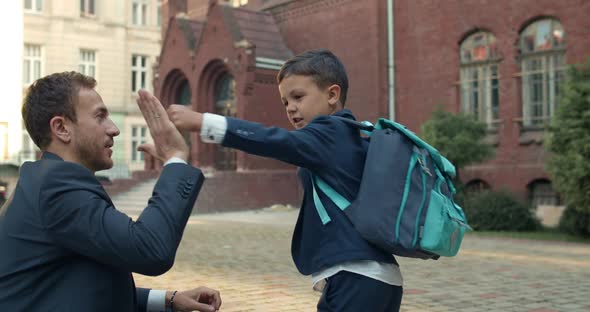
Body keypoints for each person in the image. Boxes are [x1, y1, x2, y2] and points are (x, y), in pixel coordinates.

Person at [158, 49, 404, 311]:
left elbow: (275, 140)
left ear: (332, 94)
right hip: (371, 277)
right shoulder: (348, 135)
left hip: (357, 277)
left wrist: (203, 122)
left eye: (298, 97)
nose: (291, 108)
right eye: (285, 102)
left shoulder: (331, 133)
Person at [0, 72, 222, 312]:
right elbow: (150, 249)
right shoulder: (57, 185)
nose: (114, 129)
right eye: (100, 117)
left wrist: (168, 299)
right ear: (61, 128)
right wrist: (175, 159)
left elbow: (77, 284)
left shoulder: (45, 179)